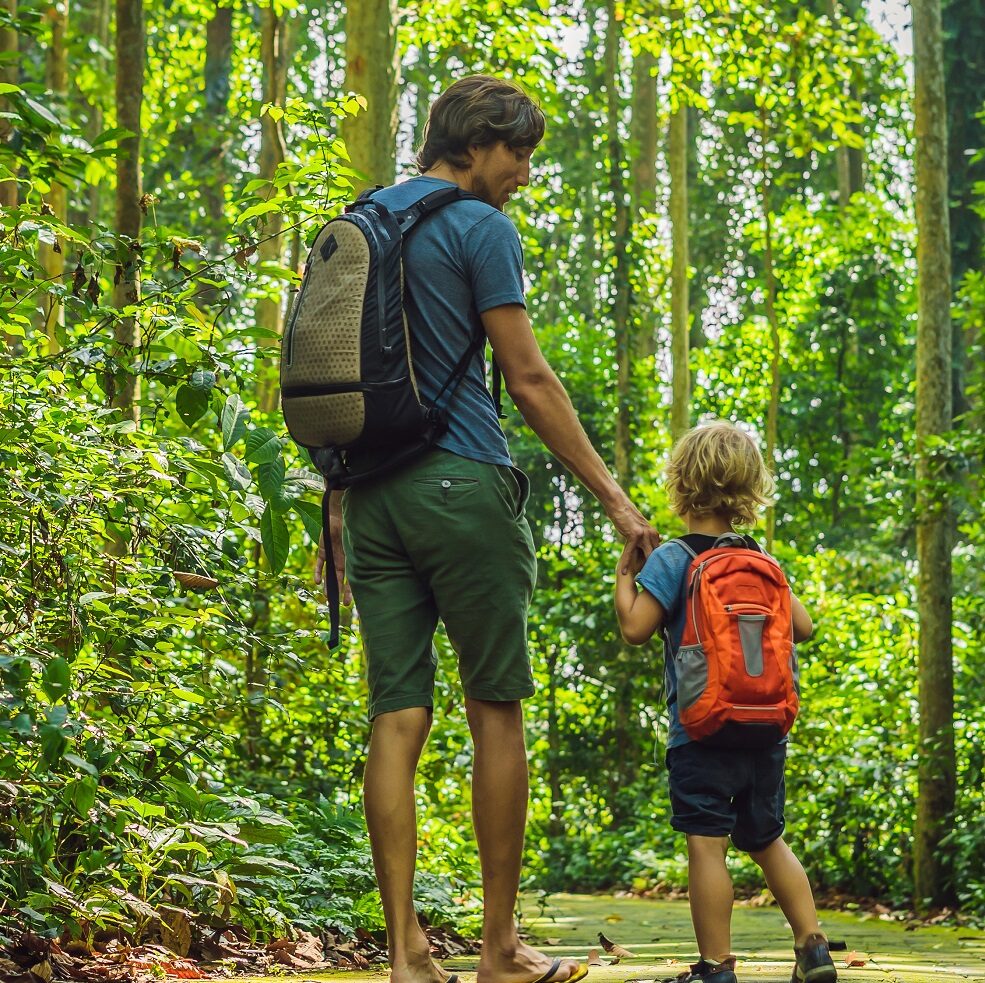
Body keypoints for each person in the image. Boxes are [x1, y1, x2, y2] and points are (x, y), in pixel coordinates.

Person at [314, 75, 660, 983]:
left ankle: (406, 955)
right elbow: (529, 377)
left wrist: (344, 496)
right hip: (461, 486)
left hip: (371, 498)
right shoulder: (479, 229)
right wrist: (619, 502)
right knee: (494, 708)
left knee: (395, 716)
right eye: (519, 155)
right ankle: (500, 950)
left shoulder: (364, 218)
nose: (524, 177)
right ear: (475, 143)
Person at [613, 421, 837, 983]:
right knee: (766, 838)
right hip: (765, 730)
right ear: (748, 489)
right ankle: (813, 949)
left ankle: (715, 968)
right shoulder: (760, 558)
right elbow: (803, 627)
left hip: (701, 731)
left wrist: (625, 579)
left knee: (706, 844)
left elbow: (637, 629)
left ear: (682, 483)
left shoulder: (672, 558)